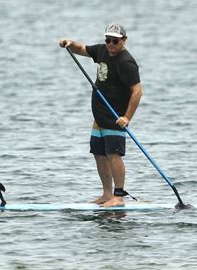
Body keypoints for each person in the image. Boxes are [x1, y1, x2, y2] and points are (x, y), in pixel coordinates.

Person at [59, 23, 143, 207]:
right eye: (108, 40)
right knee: (98, 153)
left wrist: (127, 117)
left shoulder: (126, 63)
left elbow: (137, 92)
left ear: (124, 41)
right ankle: (106, 194)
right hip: (99, 116)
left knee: (113, 154)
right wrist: (70, 43)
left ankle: (118, 197)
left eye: (115, 41)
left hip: (116, 116)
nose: (111, 44)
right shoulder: (102, 51)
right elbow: (82, 49)